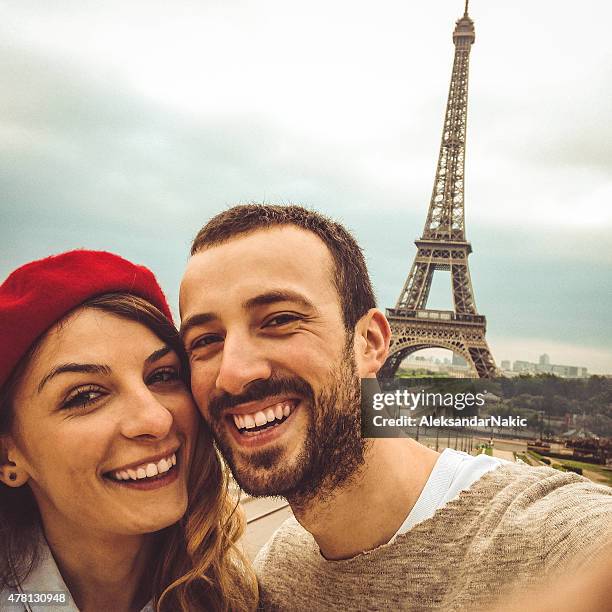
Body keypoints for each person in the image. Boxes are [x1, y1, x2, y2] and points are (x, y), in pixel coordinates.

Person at [179, 204, 612, 611]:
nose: (233, 373)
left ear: (369, 342)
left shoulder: (542, 531)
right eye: (204, 340)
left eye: (280, 320)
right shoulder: (277, 569)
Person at [0, 250, 257, 612]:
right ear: (8, 457)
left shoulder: (239, 597)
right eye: (86, 395)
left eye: (163, 376)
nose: (156, 420)